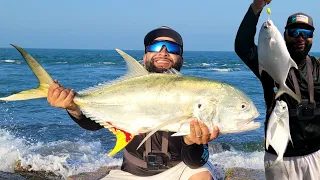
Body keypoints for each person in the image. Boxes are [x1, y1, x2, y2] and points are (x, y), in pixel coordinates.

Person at [47, 26, 224, 180]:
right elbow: (94, 124)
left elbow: (195, 161)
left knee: (202, 176)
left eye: (172, 48)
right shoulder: (125, 90)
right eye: (155, 46)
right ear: (145, 56)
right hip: (131, 173)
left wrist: (193, 142)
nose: (163, 51)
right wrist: (73, 107)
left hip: (179, 169)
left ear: (181, 59)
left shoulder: (193, 93)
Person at [235, 0, 320, 179]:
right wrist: (256, 8)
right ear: (284, 35)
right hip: (278, 156)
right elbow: (242, 46)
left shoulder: (318, 67)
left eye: (306, 33)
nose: (300, 37)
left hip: (315, 154)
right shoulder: (268, 63)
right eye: (294, 32)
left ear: (312, 36)